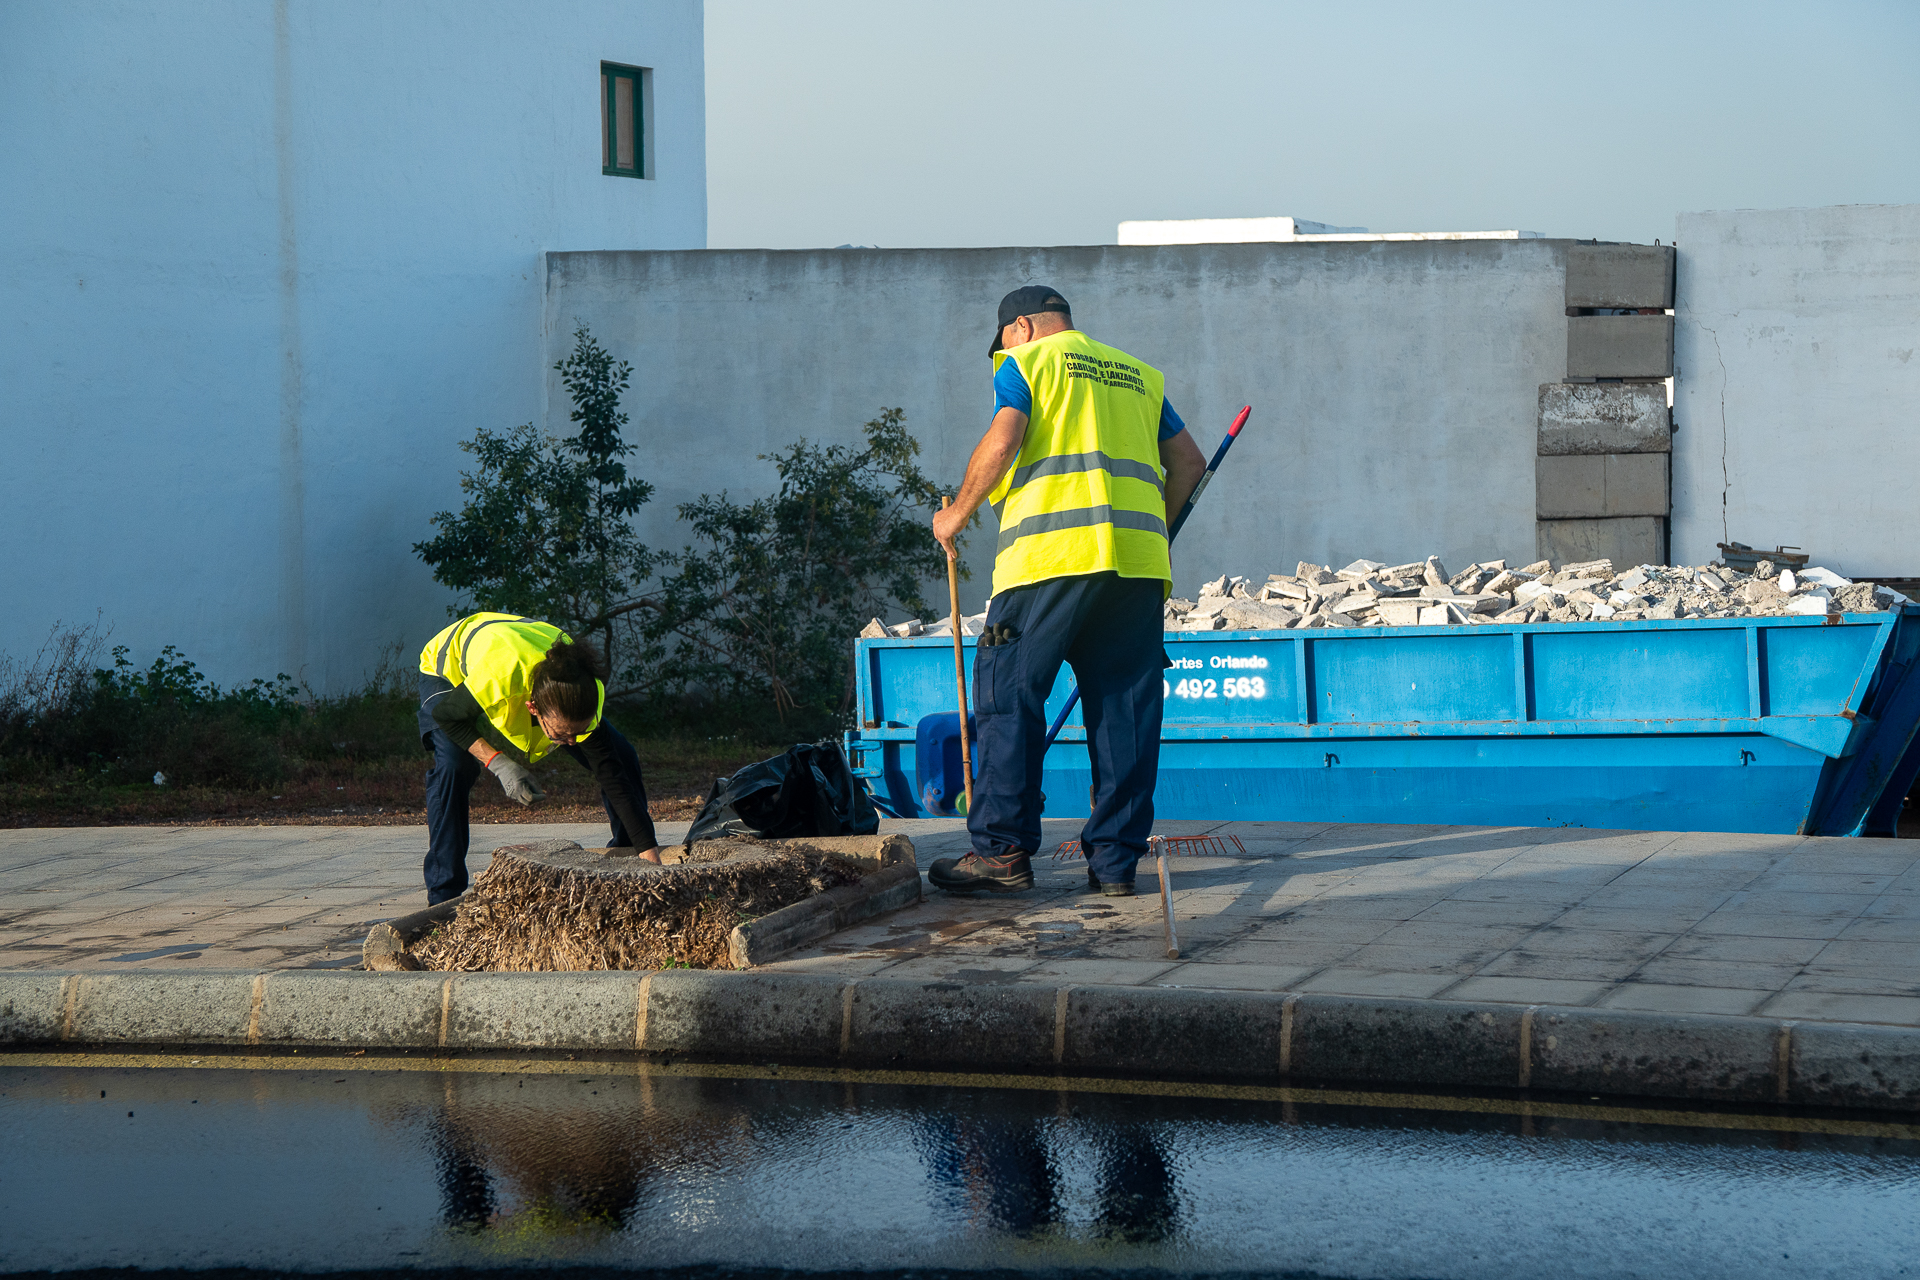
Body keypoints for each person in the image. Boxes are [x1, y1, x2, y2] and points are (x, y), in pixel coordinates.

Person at [927, 286, 1207, 895]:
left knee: (1007, 700)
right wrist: (1152, 527)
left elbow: (1003, 439)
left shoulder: (1027, 364)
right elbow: (1189, 461)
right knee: (1125, 714)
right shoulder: (1137, 375)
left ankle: (1002, 854)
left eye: (1001, 341)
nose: (1000, 353)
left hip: (1048, 562)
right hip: (1132, 569)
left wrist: (957, 514)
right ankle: (1114, 865)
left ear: (1021, 327)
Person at [416, 612, 663, 903]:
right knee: (454, 766)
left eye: (577, 732)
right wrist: (499, 764)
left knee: (621, 756)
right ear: (532, 708)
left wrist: (650, 856)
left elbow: (611, 772)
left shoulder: (584, 687)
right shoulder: (498, 677)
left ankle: (627, 853)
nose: (571, 742)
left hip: (521, 653)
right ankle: (444, 893)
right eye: (561, 733)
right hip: (446, 664)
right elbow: (448, 717)